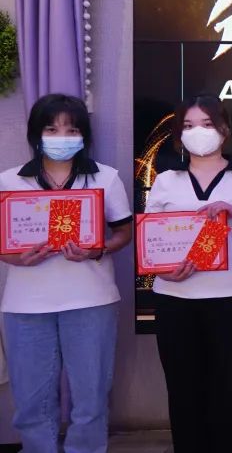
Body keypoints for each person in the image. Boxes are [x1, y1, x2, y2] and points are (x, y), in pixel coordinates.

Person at [0, 93, 133, 453]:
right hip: (26, 306)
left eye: (71, 130)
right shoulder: (9, 182)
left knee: (91, 398)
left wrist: (98, 249)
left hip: (91, 301)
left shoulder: (105, 177)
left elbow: (124, 232)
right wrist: (14, 258)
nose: (62, 137)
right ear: (36, 134)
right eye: (52, 129)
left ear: (84, 135)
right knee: (31, 401)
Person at [146, 95, 232, 453]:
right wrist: (164, 272)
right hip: (175, 299)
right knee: (183, 391)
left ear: (224, 130)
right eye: (188, 126)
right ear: (178, 135)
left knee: (231, 391)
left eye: (206, 124)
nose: (197, 132)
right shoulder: (165, 180)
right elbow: (151, 240)